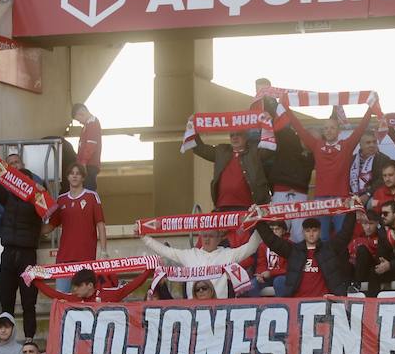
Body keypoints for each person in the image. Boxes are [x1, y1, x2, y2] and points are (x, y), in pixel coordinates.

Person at [283, 106, 374, 236]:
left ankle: (342, 257)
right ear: (323, 131)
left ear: (338, 131)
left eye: (332, 127)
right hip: (321, 199)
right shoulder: (317, 145)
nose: (329, 130)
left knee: (342, 236)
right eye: (326, 128)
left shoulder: (346, 145)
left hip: (341, 198)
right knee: (323, 237)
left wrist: (370, 109)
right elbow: (300, 129)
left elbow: (360, 129)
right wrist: (287, 109)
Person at [0, 152, 44, 337]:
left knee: (28, 302)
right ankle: (4, 341)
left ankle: (28, 341)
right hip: (8, 254)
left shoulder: (38, 199)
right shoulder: (8, 197)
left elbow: (51, 211)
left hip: (27, 256)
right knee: (6, 301)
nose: (22, 184)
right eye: (19, 180)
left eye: (25, 180)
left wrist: (42, 192)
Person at [142, 227, 262, 300]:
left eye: (211, 236)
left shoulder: (228, 254)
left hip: (220, 309)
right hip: (194, 309)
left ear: (219, 238)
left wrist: (261, 224)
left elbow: (251, 247)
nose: (207, 239)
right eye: (204, 236)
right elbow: (166, 251)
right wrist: (144, 237)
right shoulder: (190, 255)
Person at [46, 164, 106, 270]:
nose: (74, 176)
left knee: (85, 287)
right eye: (71, 173)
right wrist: (31, 229)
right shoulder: (61, 199)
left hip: (85, 257)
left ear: (83, 177)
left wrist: (104, 251)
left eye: (78, 174)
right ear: (68, 177)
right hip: (63, 257)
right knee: (61, 287)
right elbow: (51, 225)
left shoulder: (92, 196)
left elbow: (100, 224)